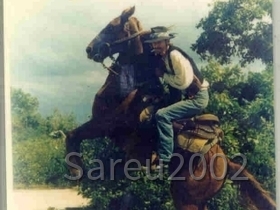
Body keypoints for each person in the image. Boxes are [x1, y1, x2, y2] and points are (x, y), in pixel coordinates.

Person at [144, 26, 210, 169]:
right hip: (189, 97)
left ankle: (165, 159)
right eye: (154, 43)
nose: (156, 46)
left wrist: (163, 75)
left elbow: (182, 82)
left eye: (159, 42)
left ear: (167, 41)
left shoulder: (174, 55)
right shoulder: (165, 56)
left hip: (197, 99)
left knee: (162, 115)